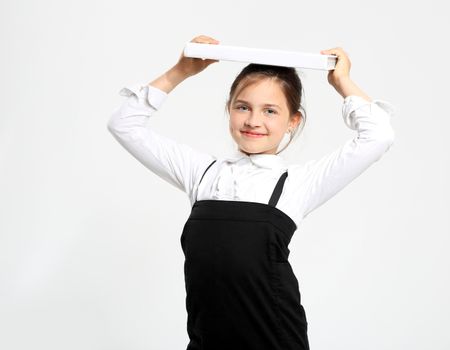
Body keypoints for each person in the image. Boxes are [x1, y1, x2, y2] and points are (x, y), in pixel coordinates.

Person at [107, 35, 395, 350]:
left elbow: (378, 136)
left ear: (292, 121)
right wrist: (180, 72)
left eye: (270, 111)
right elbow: (124, 125)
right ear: (229, 109)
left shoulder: (297, 183)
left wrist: (342, 82)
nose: (253, 121)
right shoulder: (202, 175)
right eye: (243, 107)